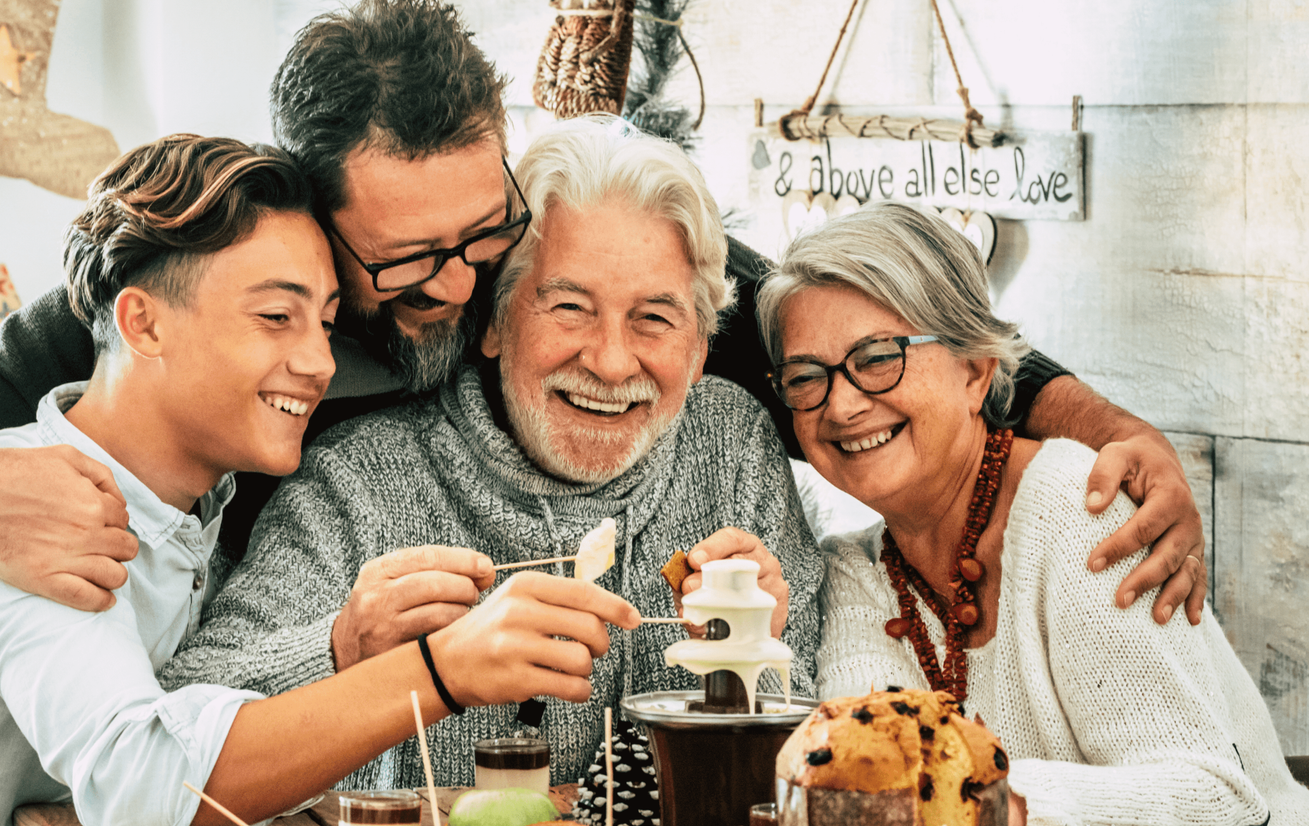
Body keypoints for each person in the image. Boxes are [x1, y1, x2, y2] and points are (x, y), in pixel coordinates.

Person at [0, 0, 1204, 637]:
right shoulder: (205, 273)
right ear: (318, 220)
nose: (460, 281)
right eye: (408, 260)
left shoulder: (562, 238)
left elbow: (850, 323)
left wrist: (1105, 425)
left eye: (483, 231)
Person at [0, 136, 637, 826]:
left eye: (325, 322)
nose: (319, 362)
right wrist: (441, 671)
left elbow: (189, 721)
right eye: (275, 317)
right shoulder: (36, 510)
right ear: (143, 324)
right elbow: (143, 778)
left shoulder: (193, 509)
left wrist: (344, 652)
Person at [758, 203, 1309, 826]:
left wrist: (993, 799)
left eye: (878, 358)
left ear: (976, 372)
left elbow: (1215, 809)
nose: (841, 404)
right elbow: (866, 794)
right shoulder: (859, 571)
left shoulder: (1081, 505)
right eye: (806, 377)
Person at [157, 116, 818, 790]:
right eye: (569, 307)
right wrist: (342, 647)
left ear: (701, 347)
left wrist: (760, 657)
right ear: (496, 322)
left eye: (654, 317)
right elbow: (179, 731)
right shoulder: (360, 481)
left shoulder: (731, 446)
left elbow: (821, 746)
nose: (613, 363)